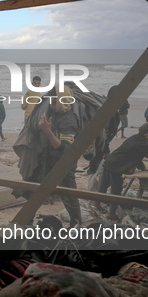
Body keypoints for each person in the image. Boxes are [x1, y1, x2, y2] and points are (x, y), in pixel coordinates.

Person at [37, 87, 82, 228]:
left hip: (65, 162)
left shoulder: (68, 119)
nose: (51, 104)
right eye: (50, 101)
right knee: (38, 187)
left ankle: (76, 224)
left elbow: (66, 149)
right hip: (50, 158)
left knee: (69, 195)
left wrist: (48, 131)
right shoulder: (55, 111)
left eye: (54, 101)